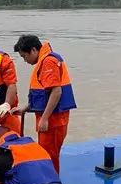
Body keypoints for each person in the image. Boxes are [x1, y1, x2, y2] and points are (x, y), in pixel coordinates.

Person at [10, 35, 76, 172]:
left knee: (49, 156)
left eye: (24, 56)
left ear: (33, 50)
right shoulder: (44, 60)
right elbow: (43, 93)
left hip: (53, 120)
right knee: (46, 153)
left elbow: (56, 91)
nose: (25, 60)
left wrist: (45, 118)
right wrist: (26, 108)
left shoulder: (48, 62)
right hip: (50, 117)